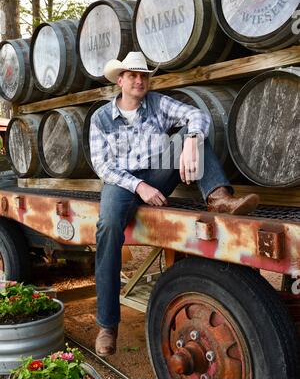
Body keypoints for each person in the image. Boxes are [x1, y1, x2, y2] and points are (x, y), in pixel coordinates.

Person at [89, 51, 259, 357]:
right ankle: (107, 325)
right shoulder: (101, 118)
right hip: (122, 181)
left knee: (192, 134)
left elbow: (198, 116)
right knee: (109, 228)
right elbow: (104, 167)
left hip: (158, 172)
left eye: (144, 76)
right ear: (121, 80)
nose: (139, 80)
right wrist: (139, 187)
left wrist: (191, 141)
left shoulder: (156, 103)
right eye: (133, 75)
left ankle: (220, 198)